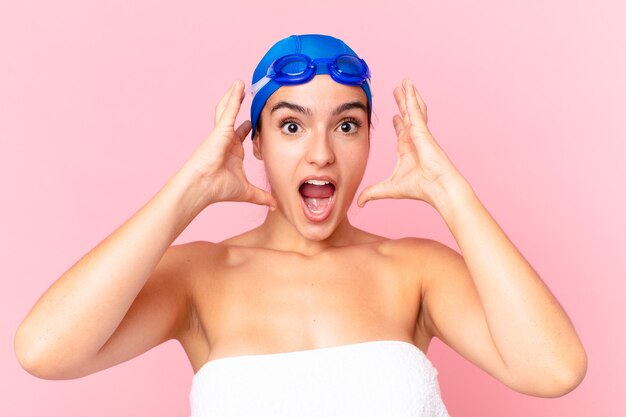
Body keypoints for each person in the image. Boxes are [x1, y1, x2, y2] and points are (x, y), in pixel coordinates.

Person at [14, 34, 587, 416]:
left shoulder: (417, 270)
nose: (320, 155)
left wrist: (450, 193)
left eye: (346, 125)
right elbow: (44, 351)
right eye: (291, 127)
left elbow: (554, 369)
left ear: (369, 139)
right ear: (255, 141)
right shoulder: (199, 277)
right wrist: (186, 194)